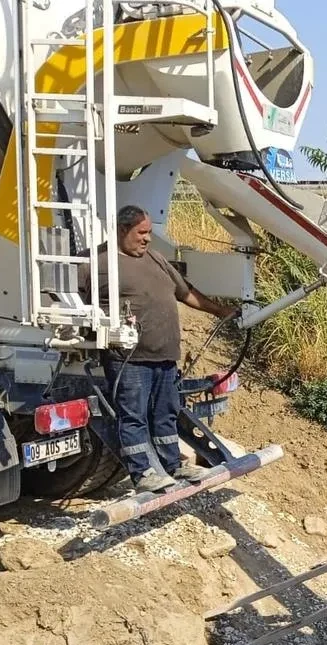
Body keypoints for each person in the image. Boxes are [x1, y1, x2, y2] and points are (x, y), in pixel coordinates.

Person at [79, 205, 231, 493]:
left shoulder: (156, 259)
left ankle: (172, 465)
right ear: (123, 230)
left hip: (164, 356)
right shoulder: (95, 262)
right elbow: (72, 301)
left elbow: (185, 292)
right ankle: (143, 473)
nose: (148, 239)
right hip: (129, 359)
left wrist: (220, 310)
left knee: (166, 413)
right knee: (133, 415)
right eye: (142, 233)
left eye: (149, 232)